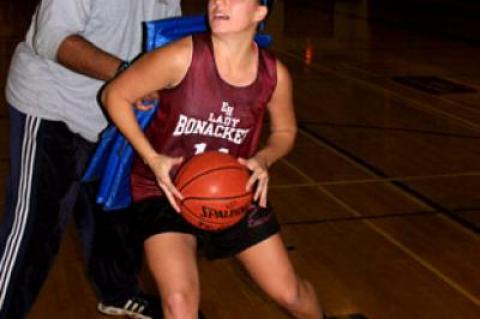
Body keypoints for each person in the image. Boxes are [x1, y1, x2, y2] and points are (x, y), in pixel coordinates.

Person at [102, 0, 326, 318]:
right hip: (166, 190)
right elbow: (115, 95)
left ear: (260, 13)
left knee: (290, 294)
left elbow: (285, 131)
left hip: (234, 188)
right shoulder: (182, 55)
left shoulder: (274, 75)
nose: (219, 2)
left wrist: (264, 158)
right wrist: (153, 159)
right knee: (179, 302)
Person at [0, 0, 181, 318]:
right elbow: (53, 38)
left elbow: (166, 44)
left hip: (115, 115)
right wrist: (128, 75)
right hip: (52, 104)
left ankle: (118, 293)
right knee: (36, 229)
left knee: (111, 214)